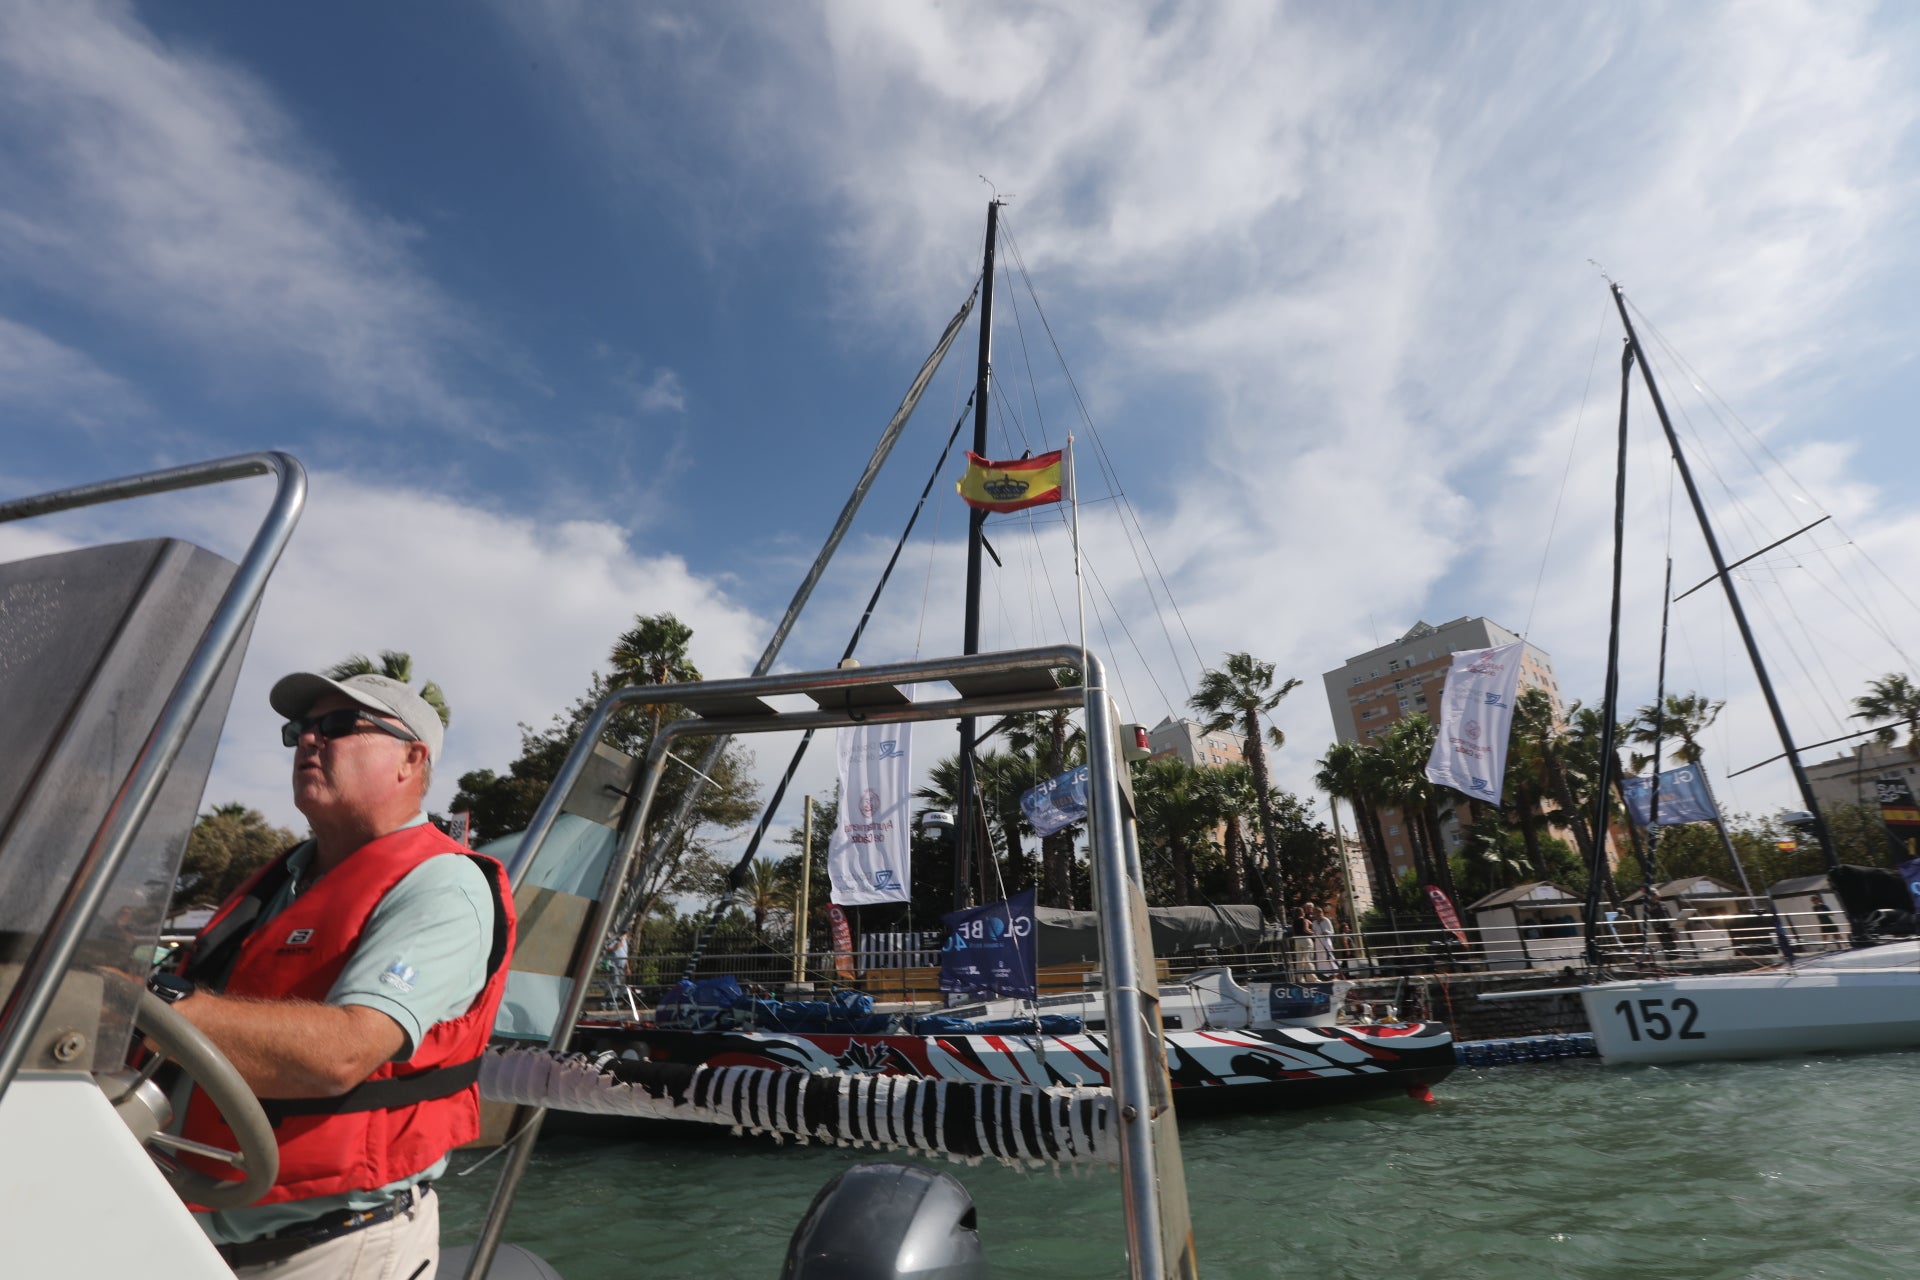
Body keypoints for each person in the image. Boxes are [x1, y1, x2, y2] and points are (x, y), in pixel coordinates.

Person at [152, 671, 517, 1278]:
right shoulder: (280, 884)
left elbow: (342, 1054)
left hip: (331, 1250)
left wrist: (154, 1001)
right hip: (191, 1227)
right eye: (299, 730)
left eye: (338, 727)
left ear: (411, 759)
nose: (308, 742)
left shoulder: (444, 885)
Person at [1306, 901, 1338, 979]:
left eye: (1317, 913)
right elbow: (1314, 933)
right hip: (1318, 942)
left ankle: (1334, 975)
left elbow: (1331, 932)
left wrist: (1326, 932)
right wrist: (1315, 933)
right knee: (1321, 959)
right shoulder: (1314, 923)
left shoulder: (1326, 920)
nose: (1316, 915)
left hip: (1326, 941)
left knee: (1329, 957)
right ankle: (1325, 975)